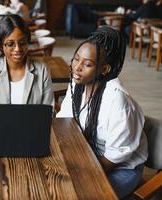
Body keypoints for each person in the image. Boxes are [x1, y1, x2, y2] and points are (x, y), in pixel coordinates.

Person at [56, 26, 148, 199]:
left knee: (76, 194)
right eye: (76, 59)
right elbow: (65, 120)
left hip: (120, 168)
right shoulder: (77, 84)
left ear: (105, 69)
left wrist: (84, 176)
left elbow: (114, 156)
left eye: (87, 64)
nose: (77, 67)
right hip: (88, 154)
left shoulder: (118, 102)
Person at [0, 14, 54, 107]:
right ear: (1, 46)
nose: (17, 49)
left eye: (22, 43)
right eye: (10, 44)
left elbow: (48, 109)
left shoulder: (42, 70)